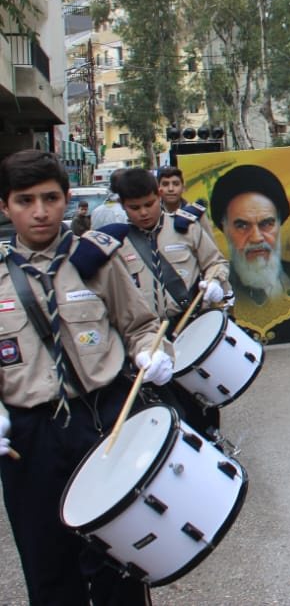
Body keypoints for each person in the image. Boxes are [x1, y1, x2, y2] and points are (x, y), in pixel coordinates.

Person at [0, 149, 174, 605]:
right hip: (30, 439)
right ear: (5, 206)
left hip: (102, 422)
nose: (40, 211)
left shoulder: (95, 258)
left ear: (66, 199)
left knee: (118, 563)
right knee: (48, 566)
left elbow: (141, 325)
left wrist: (153, 352)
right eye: (24, 200)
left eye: (50, 198)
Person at [112, 167, 231, 441]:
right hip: (148, 338)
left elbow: (216, 262)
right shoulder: (117, 244)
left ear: (159, 195)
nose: (144, 213)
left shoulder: (186, 227)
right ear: (122, 206)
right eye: (134, 208)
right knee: (164, 411)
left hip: (189, 327)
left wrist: (215, 281)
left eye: (149, 204)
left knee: (201, 402)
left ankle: (211, 443)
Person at [210, 163, 290, 306]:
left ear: (279, 224)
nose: (256, 238)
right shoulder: (218, 288)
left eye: (266, 224)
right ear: (225, 228)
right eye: (242, 226)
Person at [158, 165, 214, 235]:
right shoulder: (154, 214)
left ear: (183, 188)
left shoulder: (196, 214)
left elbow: (209, 240)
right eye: (165, 184)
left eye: (176, 184)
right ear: (159, 189)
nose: (170, 189)